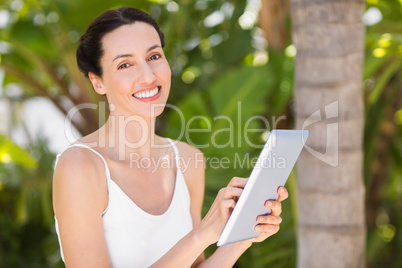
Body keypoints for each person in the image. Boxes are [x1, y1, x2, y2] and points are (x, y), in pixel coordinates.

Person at [52, 7, 288, 268]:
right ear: (98, 82)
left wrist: (244, 233)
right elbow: (197, 242)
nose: (148, 76)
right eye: (125, 64)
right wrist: (201, 235)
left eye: (153, 56)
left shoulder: (188, 159)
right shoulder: (81, 166)